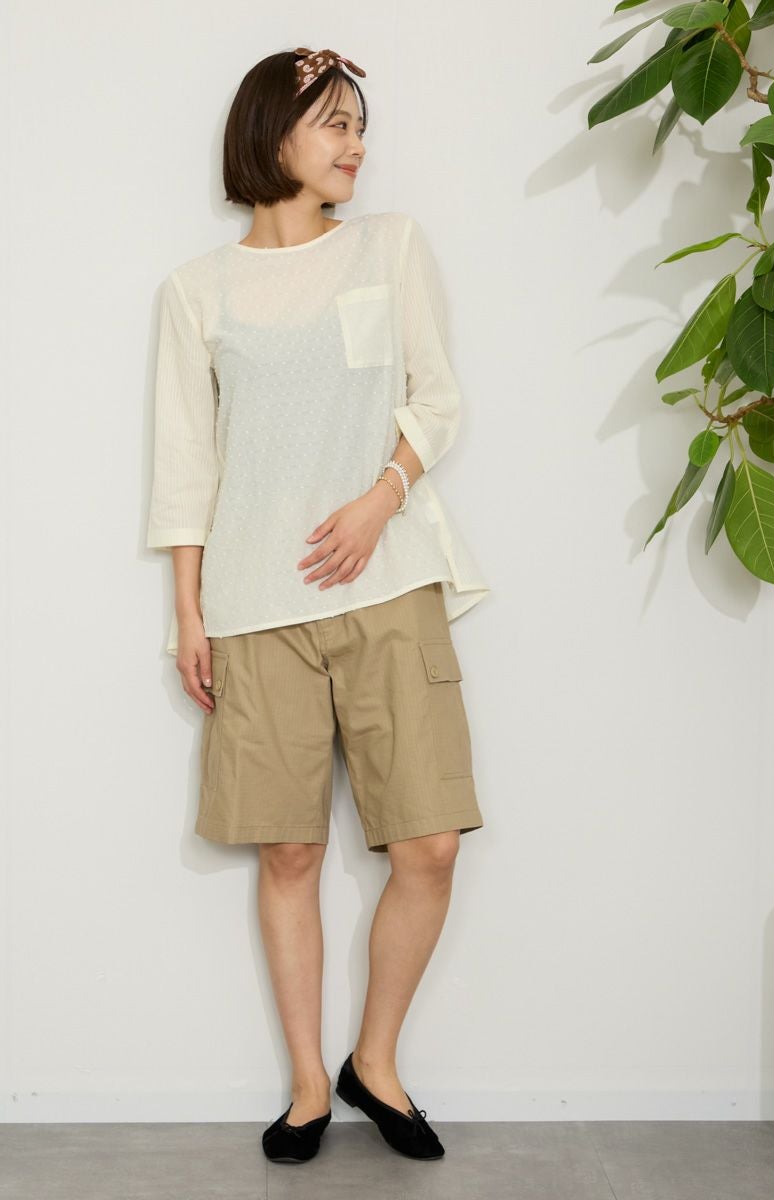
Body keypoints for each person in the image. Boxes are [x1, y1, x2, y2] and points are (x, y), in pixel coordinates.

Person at [147, 46, 492, 1164]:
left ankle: (373, 1062)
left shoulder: (390, 248)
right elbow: (185, 466)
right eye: (333, 122)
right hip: (254, 608)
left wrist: (380, 498)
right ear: (273, 133)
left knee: (429, 844)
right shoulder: (197, 291)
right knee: (288, 855)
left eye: (359, 124)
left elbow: (437, 398)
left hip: (389, 587)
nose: (355, 144)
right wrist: (189, 615)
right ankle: (307, 1085)